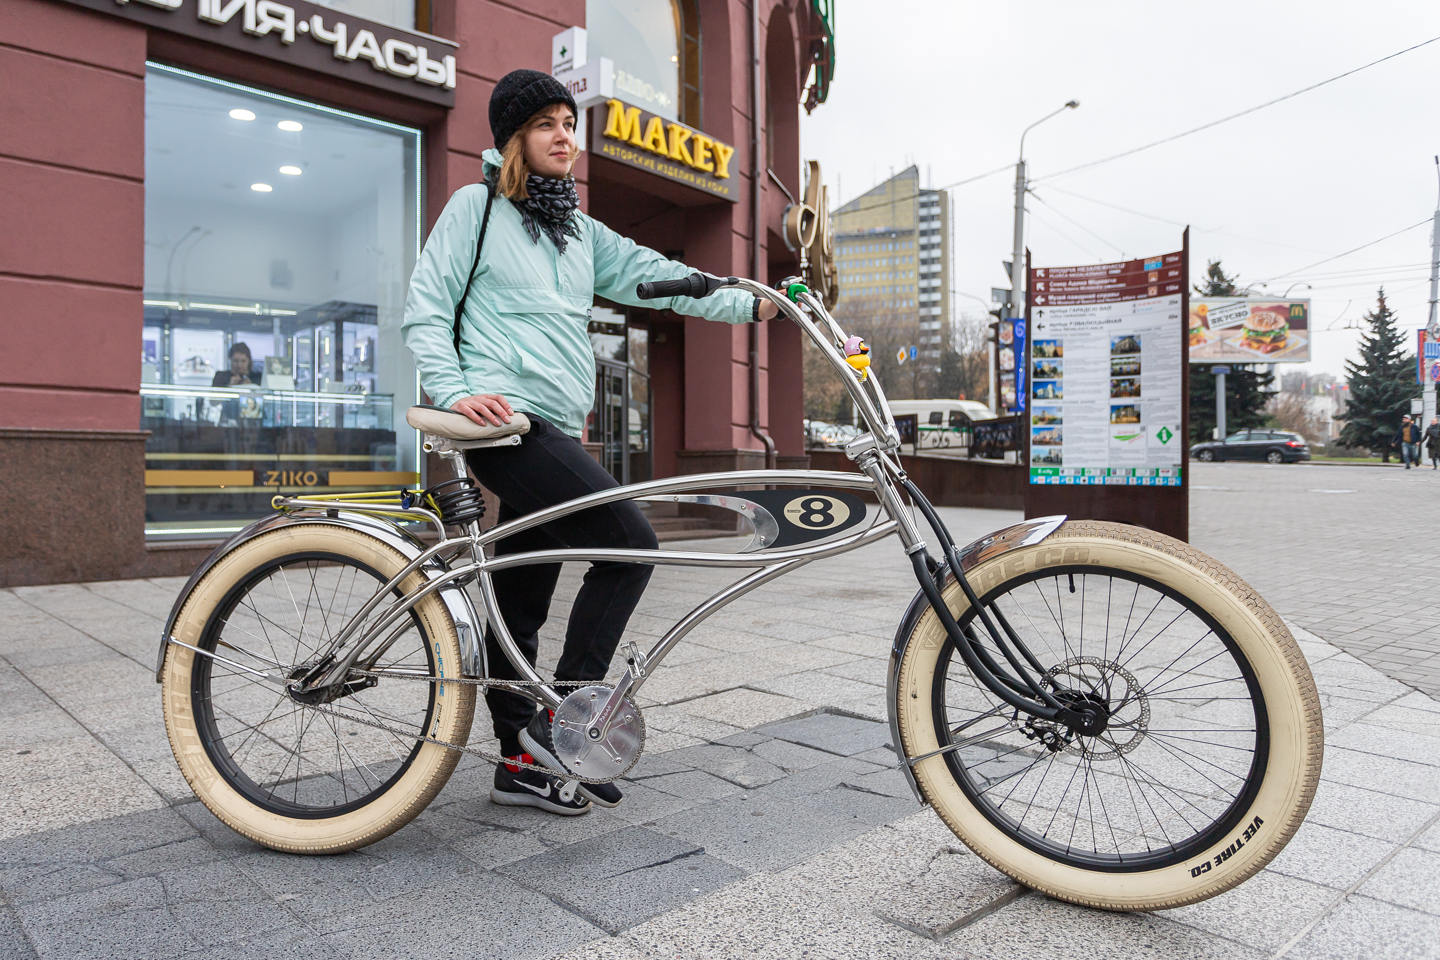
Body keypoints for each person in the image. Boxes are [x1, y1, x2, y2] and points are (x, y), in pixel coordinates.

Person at [402, 69, 778, 817]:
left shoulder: (578, 232)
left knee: (522, 592)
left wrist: (759, 303)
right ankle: (565, 724)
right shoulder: (476, 209)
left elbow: (658, 277)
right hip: (506, 425)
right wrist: (452, 390)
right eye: (545, 123)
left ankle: (519, 760)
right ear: (513, 136)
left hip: (554, 425)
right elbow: (425, 307)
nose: (564, 137)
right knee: (629, 541)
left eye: (569, 123)